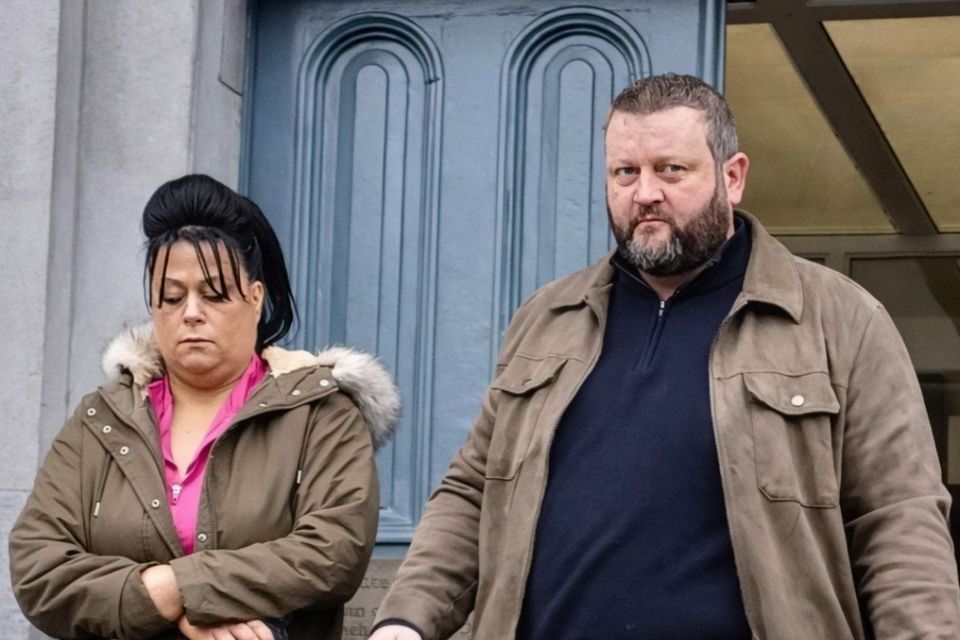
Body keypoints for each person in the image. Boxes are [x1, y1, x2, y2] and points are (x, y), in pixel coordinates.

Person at [369, 73, 960, 639]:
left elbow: (898, 518)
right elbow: (474, 491)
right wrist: (406, 619)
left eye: (671, 169)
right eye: (625, 172)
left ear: (732, 176)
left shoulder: (839, 319)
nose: (645, 193)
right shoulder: (546, 318)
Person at [10, 174, 400, 640]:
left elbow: (332, 553)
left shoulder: (319, 414)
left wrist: (178, 587)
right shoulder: (102, 420)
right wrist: (165, 604)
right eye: (172, 297)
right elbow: (39, 567)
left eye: (213, 294)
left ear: (255, 299)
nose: (191, 312)